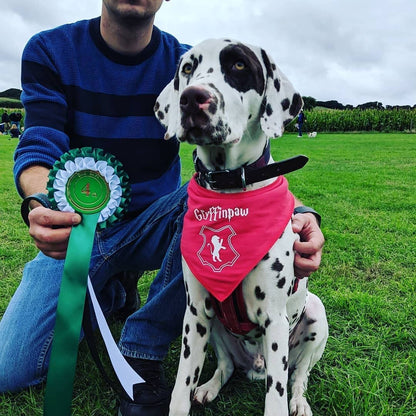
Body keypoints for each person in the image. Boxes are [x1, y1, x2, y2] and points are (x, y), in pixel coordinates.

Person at [0, 1, 324, 415]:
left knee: (202, 199)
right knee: (11, 369)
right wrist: (43, 202)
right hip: (78, 230)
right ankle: (113, 289)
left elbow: (250, 168)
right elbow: (39, 141)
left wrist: (303, 212)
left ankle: (142, 348)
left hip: (163, 224)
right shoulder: (50, 49)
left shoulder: (191, 65)